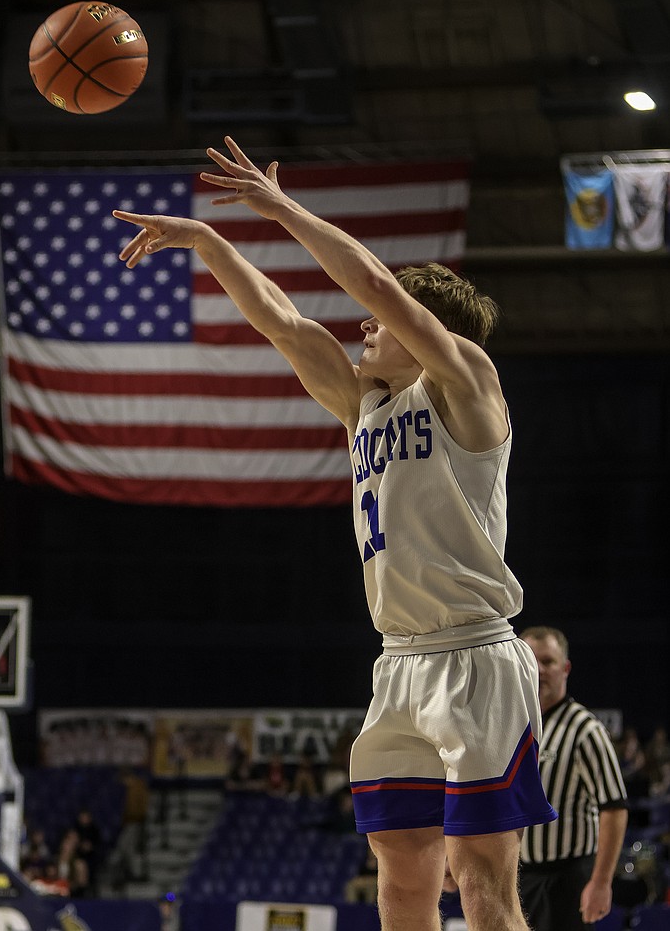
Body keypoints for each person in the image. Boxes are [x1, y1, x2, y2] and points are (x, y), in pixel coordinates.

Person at [115, 138, 555, 931]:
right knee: (400, 878)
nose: (363, 328)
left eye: (379, 328)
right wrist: (210, 242)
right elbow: (282, 322)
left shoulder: (467, 387)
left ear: (424, 333)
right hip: (399, 664)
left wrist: (282, 208)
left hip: (475, 656)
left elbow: (377, 285)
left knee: (483, 881)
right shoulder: (363, 408)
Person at [519, 625, 628, 930]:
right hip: (518, 876)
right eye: (530, 661)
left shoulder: (584, 730)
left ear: (565, 668)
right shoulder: (514, 727)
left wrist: (601, 882)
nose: (539, 670)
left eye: (548, 662)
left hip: (566, 879)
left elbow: (614, 808)